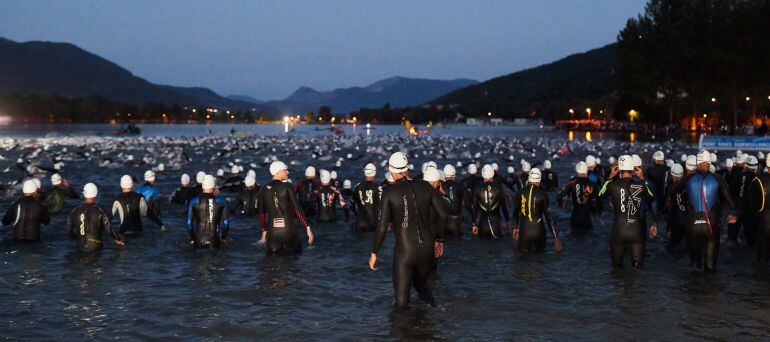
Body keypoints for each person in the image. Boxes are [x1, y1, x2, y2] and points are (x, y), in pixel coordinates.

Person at [369, 152, 450, 308]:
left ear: (391, 171)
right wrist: (439, 240)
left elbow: (382, 226)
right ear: (407, 168)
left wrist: (374, 252)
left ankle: (404, 329)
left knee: (401, 303)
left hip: (405, 252)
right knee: (422, 288)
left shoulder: (389, 192)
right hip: (427, 249)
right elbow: (443, 215)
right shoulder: (425, 186)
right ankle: (433, 321)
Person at [670, 150, 737, 273]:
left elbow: (674, 191)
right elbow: (732, 203)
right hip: (711, 224)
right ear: (709, 162)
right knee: (710, 268)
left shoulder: (688, 178)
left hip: (692, 225)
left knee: (695, 267)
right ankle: (709, 290)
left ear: (697, 163)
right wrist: (733, 214)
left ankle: (693, 290)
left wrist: (684, 202)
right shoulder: (719, 179)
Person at [597, 155, 658, 269]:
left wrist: (610, 177)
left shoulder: (612, 185)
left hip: (619, 231)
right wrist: (642, 178)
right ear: (633, 169)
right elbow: (653, 197)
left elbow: (600, 196)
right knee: (637, 269)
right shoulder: (641, 185)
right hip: (636, 231)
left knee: (616, 268)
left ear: (619, 169)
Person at [258, 161, 314, 254]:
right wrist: (308, 228)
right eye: (285, 170)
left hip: (272, 234)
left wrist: (264, 230)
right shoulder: (287, 186)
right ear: (278, 172)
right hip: (288, 232)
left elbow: (261, 213)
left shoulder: (263, 188)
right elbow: (297, 208)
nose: (287, 172)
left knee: (272, 263)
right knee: (293, 263)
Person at [512, 169, 563, 253]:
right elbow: (548, 217)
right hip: (539, 232)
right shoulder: (543, 195)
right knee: (539, 260)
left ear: (529, 178)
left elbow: (515, 213)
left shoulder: (520, 193)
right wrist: (555, 236)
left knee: (522, 260)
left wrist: (515, 227)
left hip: (524, 231)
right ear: (539, 179)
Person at [66, 183, 124, 252]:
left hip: (80, 248)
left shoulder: (74, 211)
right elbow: (109, 229)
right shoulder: (100, 210)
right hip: (96, 248)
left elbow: (68, 233)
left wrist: (79, 237)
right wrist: (118, 239)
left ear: (84, 194)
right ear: (96, 194)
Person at [186, 175, 229, 248]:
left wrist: (192, 238)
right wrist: (223, 238)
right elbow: (226, 224)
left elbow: (189, 224)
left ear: (203, 187)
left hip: (198, 239)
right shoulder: (221, 201)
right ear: (213, 187)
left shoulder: (194, 201)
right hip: (214, 240)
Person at [471, 164, 510, 239]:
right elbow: (504, 207)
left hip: (482, 225)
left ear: (483, 175)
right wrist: (507, 221)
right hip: (496, 224)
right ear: (492, 174)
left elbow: (474, 208)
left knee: (483, 248)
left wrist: (474, 224)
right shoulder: (499, 188)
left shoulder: (477, 189)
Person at [557, 161, 598, 230]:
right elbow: (599, 198)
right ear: (586, 170)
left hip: (575, 219)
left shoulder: (572, 183)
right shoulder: (592, 183)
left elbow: (559, 197)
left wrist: (561, 205)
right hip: (587, 219)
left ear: (577, 170)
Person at [747, 157, 770, 263]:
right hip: (764, 218)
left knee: (761, 260)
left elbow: (750, 201)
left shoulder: (758, 179)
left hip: (764, 220)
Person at [663, 164, 687, 252]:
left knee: (672, 248)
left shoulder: (671, 188)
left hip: (676, 222)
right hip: (689, 221)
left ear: (672, 175)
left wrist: (669, 228)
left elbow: (671, 210)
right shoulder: (689, 184)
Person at [352, 163, 382, 232]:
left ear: (365, 173)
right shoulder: (378, 187)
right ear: (374, 173)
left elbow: (352, 204)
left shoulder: (357, 187)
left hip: (360, 223)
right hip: (373, 223)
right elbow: (383, 206)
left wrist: (356, 213)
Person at [441, 164, 465, 236]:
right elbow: (468, 203)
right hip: (457, 223)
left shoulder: (440, 186)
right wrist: (474, 222)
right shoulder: (460, 185)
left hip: (444, 223)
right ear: (454, 174)